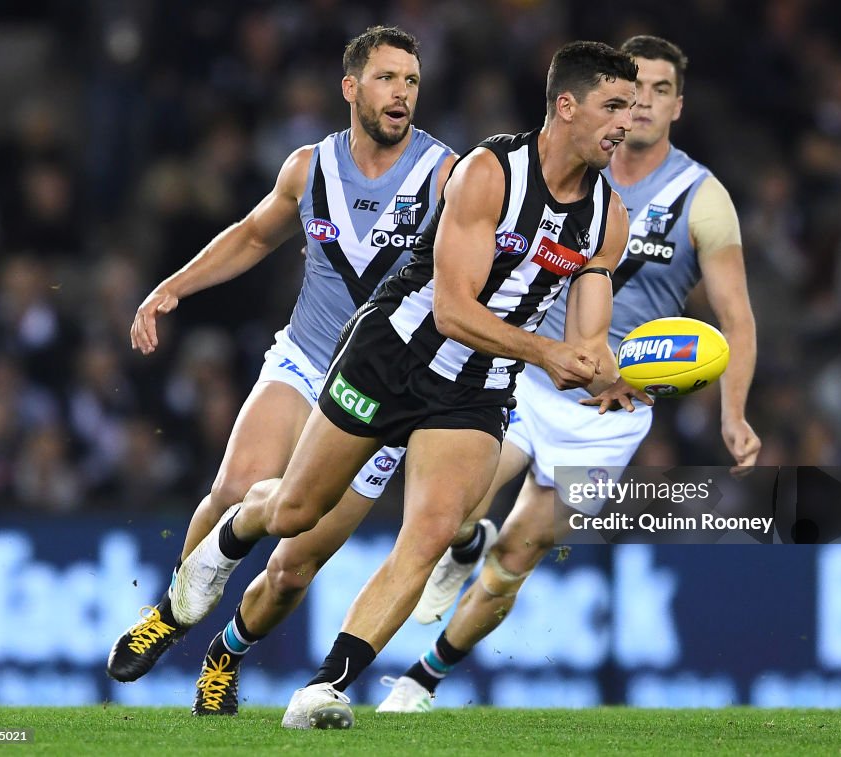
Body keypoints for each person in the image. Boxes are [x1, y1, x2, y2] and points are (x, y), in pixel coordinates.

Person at [168, 40, 646, 729]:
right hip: (390, 354)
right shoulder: (488, 173)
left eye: (631, 110)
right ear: (566, 106)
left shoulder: (609, 217)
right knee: (297, 511)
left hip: (477, 385)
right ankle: (231, 535)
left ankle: (325, 687)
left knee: (430, 534)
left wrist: (610, 373)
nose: (624, 125)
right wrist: (548, 352)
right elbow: (453, 310)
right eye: (613, 107)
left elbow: (591, 332)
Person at [377, 34, 761, 713]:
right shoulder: (571, 173)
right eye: (631, 88)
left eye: (660, 90)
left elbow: (736, 319)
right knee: (454, 506)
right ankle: (463, 540)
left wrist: (733, 413)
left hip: (614, 415)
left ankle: (422, 680)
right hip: (536, 372)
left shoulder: (702, 200)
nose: (641, 103)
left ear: (678, 106)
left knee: (516, 560)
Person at [105, 26, 458, 716]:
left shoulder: (447, 176)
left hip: (385, 394)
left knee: (294, 565)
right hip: (306, 357)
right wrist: (174, 285)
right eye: (387, 78)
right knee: (236, 487)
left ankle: (224, 655)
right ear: (351, 88)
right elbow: (254, 234)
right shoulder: (309, 166)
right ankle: (173, 613)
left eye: (411, 81)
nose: (402, 93)